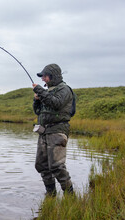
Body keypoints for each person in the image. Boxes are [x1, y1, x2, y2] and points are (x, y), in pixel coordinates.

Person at [32, 63, 74, 196]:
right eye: (42, 76)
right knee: (41, 165)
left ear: (53, 76)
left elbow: (56, 104)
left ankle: (70, 197)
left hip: (57, 132)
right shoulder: (47, 92)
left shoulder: (65, 89)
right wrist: (37, 100)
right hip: (44, 132)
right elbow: (38, 111)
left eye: (45, 76)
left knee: (56, 166)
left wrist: (40, 91)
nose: (43, 79)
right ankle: (50, 195)